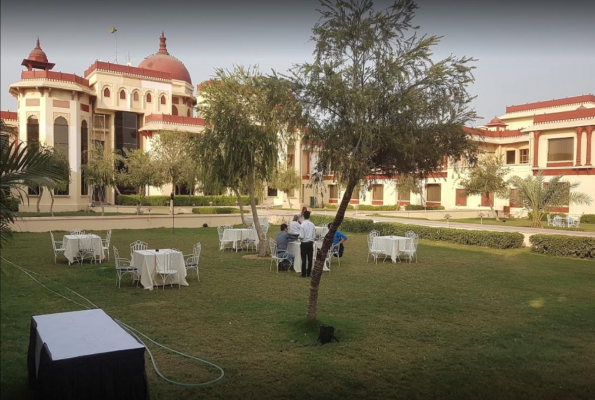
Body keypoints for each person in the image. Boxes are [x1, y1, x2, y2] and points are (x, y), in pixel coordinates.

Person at [298, 210, 316, 277]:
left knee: (303, 259)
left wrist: (298, 237)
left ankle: (303, 273)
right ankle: (309, 273)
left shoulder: (302, 225)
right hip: (310, 243)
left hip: (304, 243)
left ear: (303, 216)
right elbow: (314, 235)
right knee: (310, 259)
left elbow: (301, 236)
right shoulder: (312, 224)